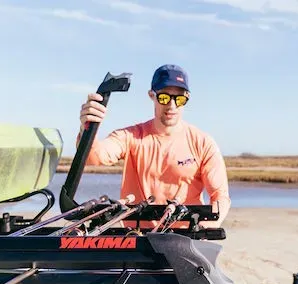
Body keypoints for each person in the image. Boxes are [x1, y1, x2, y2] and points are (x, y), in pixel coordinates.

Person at [77, 64, 231, 228]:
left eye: (179, 99)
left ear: (187, 98)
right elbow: (93, 157)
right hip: (137, 237)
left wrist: (205, 228)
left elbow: (220, 195)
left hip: (185, 238)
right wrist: (87, 127)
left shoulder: (203, 142)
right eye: (164, 97)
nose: (171, 105)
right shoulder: (131, 137)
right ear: (152, 95)